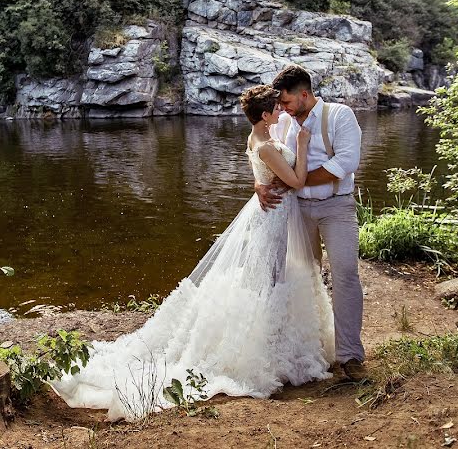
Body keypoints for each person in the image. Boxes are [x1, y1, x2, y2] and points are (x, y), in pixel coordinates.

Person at [50, 85, 335, 421]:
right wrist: (301, 147)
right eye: (276, 108)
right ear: (264, 115)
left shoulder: (259, 139)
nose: (280, 111)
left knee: (273, 279)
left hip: (274, 213)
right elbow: (298, 181)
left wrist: (262, 183)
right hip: (273, 219)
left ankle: (279, 347)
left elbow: (266, 176)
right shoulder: (266, 146)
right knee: (269, 281)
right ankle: (265, 352)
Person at [257, 64, 367, 381]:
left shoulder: (340, 115)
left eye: (287, 102)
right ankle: (304, 353)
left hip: (336, 206)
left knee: (345, 273)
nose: (283, 109)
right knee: (301, 278)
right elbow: (265, 157)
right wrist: (260, 185)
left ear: (304, 95)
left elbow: (346, 163)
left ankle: (350, 356)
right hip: (294, 210)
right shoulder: (282, 124)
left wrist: (294, 182)